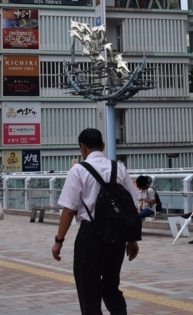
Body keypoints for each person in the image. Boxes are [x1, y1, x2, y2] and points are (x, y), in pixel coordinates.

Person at [52, 128, 140, 315]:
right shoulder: (119, 168)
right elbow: (131, 206)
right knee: (111, 287)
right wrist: (131, 240)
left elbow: (69, 210)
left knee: (88, 290)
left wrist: (59, 241)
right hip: (117, 236)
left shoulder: (78, 170)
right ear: (103, 146)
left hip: (90, 235)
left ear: (82, 148)